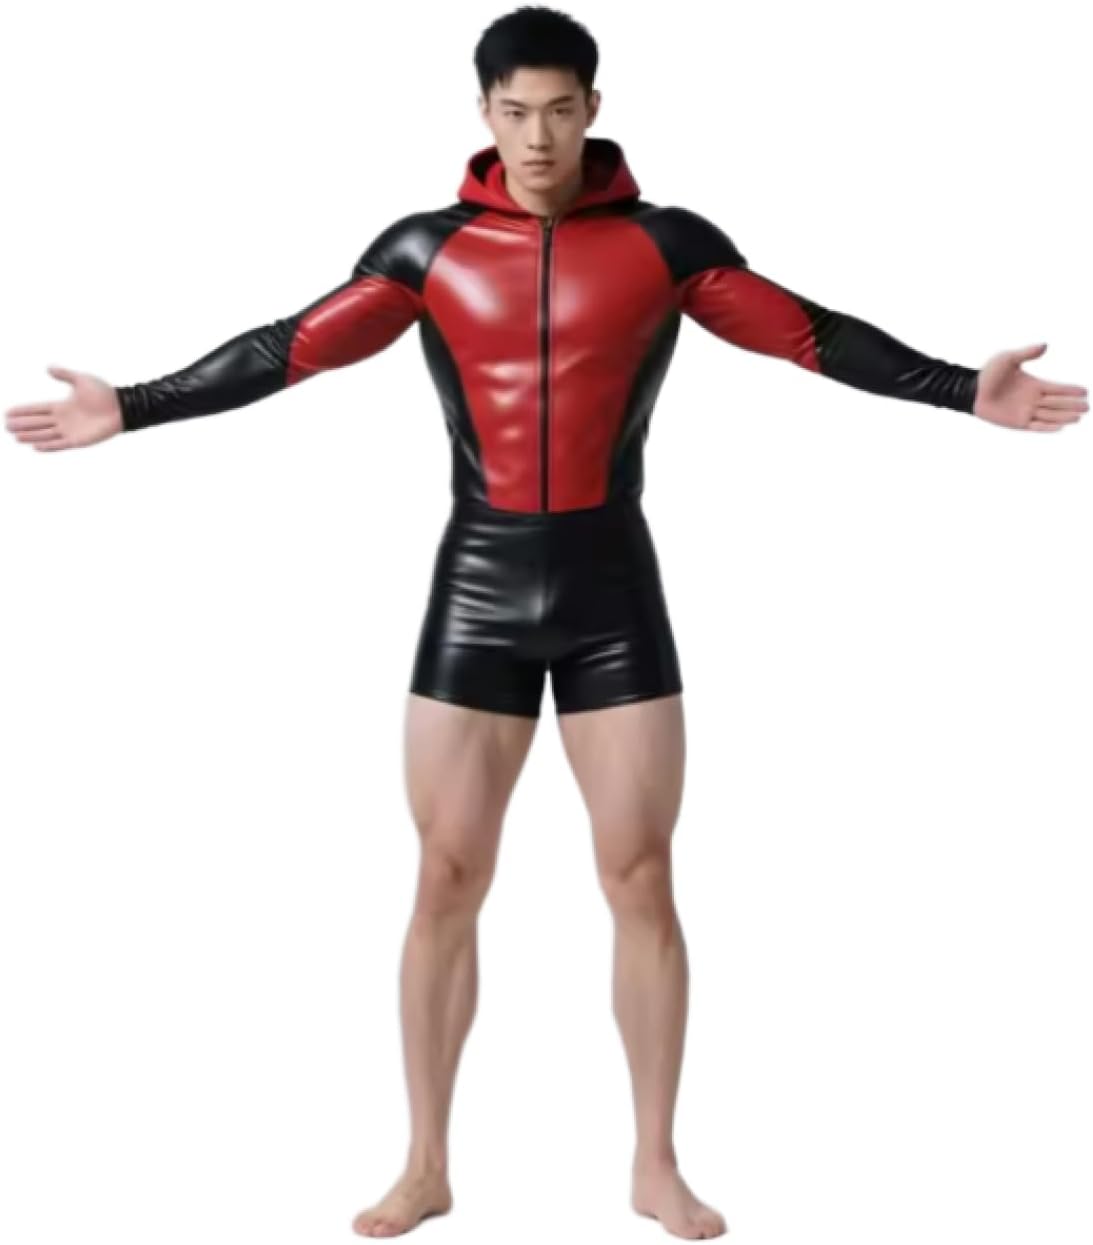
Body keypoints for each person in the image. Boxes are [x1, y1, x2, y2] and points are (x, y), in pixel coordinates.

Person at [5, 5, 1087, 1240]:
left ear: (593, 110)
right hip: (475, 587)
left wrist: (959, 392)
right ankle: (424, 1165)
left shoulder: (666, 246)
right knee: (446, 875)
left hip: (612, 591)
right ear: (482, 113)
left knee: (640, 874)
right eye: (514, 112)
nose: (536, 137)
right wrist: (134, 405)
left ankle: (655, 1165)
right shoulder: (426, 249)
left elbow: (808, 333)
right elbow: (289, 348)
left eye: (559, 111)